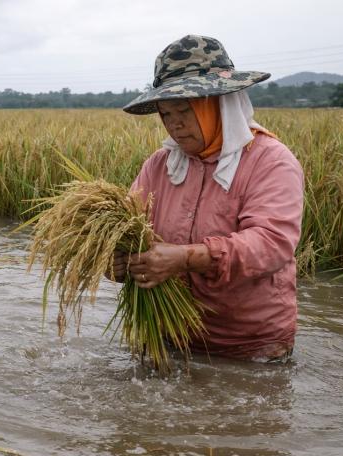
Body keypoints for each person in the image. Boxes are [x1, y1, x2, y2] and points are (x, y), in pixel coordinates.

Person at [113, 35, 304, 361]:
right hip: (168, 337)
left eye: (185, 110)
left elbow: (270, 245)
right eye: (166, 113)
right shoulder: (160, 165)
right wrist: (116, 263)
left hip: (248, 349)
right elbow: (127, 230)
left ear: (220, 104)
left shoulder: (270, 161)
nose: (175, 125)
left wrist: (186, 258)